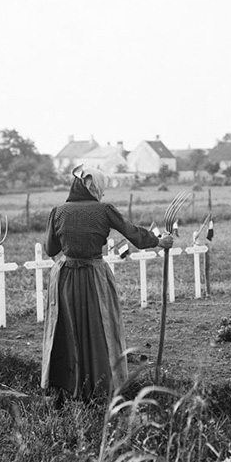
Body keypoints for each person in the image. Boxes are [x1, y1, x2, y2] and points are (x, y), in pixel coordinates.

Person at [41, 166, 173, 404]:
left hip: (65, 280)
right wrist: (160, 241)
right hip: (94, 278)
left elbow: (50, 249)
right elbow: (133, 234)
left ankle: (66, 388)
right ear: (95, 187)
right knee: (99, 329)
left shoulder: (58, 212)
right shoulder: (103, 210)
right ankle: (99, 389)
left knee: (66, 330)